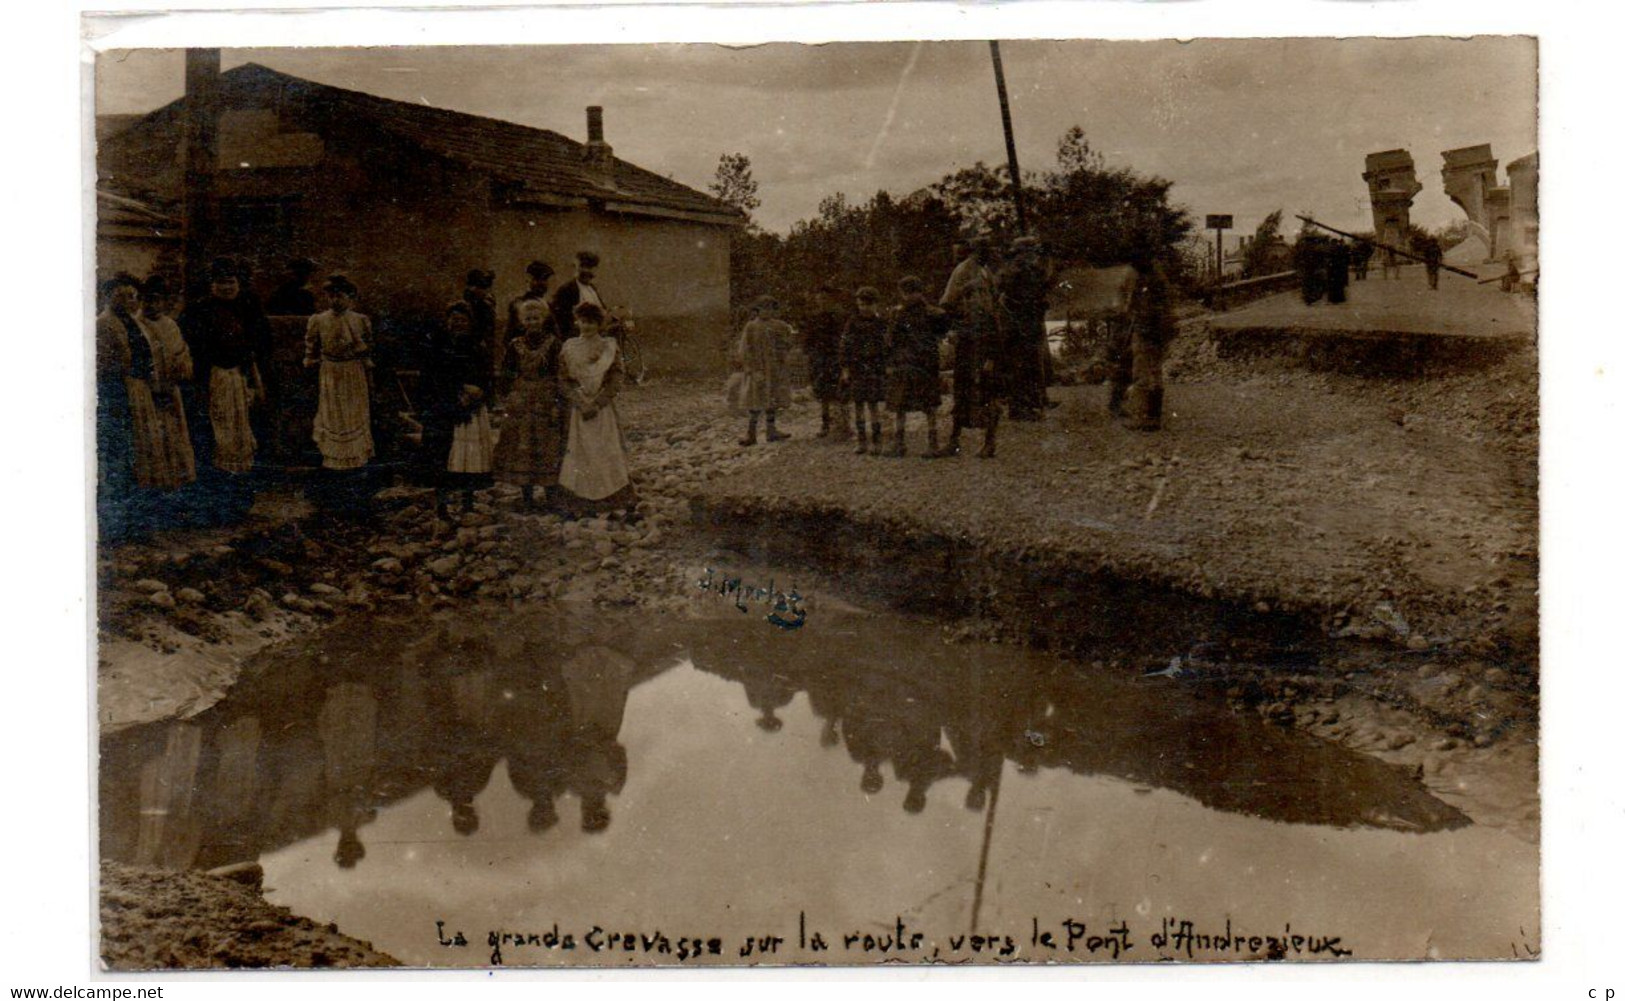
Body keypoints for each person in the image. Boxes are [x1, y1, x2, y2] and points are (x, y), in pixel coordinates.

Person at [182, 258, 267, 501]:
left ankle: (241, 494)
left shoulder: (248, 308)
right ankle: (215, 495)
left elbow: (258, 345)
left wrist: (255, 378)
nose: (226, 287)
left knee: (242, 432)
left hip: (240, 378)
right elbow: (192, 348)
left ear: (239, 284)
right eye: (220, 283)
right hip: (212, 378)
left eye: (231, 282)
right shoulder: (198, 311)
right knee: (216, 433)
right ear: (212, 285)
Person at [558, 302, 636, 512]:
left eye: (592, 322)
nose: (587, 326)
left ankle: (611, 496)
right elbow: (563, 380)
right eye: (583, 321)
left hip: (602, 409)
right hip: (579, 407)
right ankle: (581, 500)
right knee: (580, 450)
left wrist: (599, 402)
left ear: (599, 324)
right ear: (577, 322)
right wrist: (579, 401)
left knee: (605, 448)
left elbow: (616, 378)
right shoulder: (569, 347)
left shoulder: (608, 346)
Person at [934, 235, 1005, 458]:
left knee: (988, 389)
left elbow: (994, 311)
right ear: (975, 251)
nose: (986, 254)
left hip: (986, 338)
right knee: (963, 389)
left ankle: (989, 442)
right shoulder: (964, 271)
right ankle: (955, 441)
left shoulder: (987, 274)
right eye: (983, 250)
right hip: (969, 338)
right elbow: (947, 303)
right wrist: (956, 327)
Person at [423, 302, 494, 518]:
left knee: (469, 454)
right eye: (454, 319)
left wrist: (480, 392)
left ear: (470, 323)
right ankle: (442, 505)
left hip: (472, 407)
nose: (458, 324)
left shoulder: (477, 346)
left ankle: (468, 502)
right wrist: (458, 390)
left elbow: (487, 375)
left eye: (463, 320)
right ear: (447, 322)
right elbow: (432, 376)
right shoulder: (437, 345)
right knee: (441, 454)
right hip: (444, 406)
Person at [492, 299, 564, 510]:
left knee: (547, 444)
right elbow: (506, 371)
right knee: (523, 445)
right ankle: (527, 496)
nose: (532, 322)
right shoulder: (515, 345)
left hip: (545, 397)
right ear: (522, 321)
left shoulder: (553, 343)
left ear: (543, 319)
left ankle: (551, 493)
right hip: (522, 399)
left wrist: (557, 400)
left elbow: (558, 373)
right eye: (528, 318)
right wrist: (507, 394)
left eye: (536, 318)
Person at [132, 276, 197, 494]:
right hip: (148, 392)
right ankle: (154, 491)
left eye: (158, 300)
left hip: (171, 390)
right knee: (153, 441)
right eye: (148, 300)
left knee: (174, 438)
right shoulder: (136, 325)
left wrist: (178, 372)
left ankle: (175, 491)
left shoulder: (170, 325)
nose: (153, 305)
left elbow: (181, 354)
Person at [303, 274, 375, 471]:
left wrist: (361, 349)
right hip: (330, 371)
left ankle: (355, 458)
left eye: (340, 296)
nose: (335, 300)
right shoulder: (318, 320)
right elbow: (311, 344)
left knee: (353, 410)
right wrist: (310, 358)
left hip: (352, 370)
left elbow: (368, 346)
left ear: (351, 298)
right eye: (331, 296)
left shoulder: (360, 320)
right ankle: (333, 460)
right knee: (332, 412)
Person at [884, 276, 949, 457]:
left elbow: (942, 332)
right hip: (908, 362)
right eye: (906, 293)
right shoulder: (900, 314)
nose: (909, 296)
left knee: (926, 405)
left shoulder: (931, 313)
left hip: (922, 363)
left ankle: (931, 443)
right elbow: (891, 340)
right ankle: (900, 443)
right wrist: (891, 361)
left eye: (912, 292)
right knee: (901, 404)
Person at [998, 235, 1050, 420]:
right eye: (1030, 251)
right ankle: (1018, 408)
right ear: (1022, 252)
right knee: (1018, 367)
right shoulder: (1013, 271)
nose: (1033, 255)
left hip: (1027, 323)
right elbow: (1014, 298)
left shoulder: (1028, 269)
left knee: (1028, 366)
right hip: (1017, 325)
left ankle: (1029, 404)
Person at [1125, 245, 1177, 432]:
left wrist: (1137, 323)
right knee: (1155, 374)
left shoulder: (1147, 281)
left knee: (1143, 374)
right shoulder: (1157, 278)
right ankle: (1153, 416)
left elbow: (1143, 310)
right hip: (1158, 333)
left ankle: (1143, 417)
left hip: (1147, 332)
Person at [734, 294, 795, 447]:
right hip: (758, 369)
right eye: (763, 309)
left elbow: (788, 343)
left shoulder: (779, 326)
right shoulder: (751, 326)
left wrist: (784, 347)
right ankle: (751, 433)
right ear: (757, 310)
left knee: (772, 400)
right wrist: (751, 369)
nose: (767, 312)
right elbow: (745, 350)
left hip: (774, 369)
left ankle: (771, 430)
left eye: (770, 309)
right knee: (755, 401)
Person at [840, 287, 889, 455]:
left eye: (868, 304)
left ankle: (877, 442)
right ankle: (862, 441)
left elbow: (886, 347)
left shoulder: (881, 323)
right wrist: (845, 369)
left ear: (876, 305)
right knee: (858, 405)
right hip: (857, 368)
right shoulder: (852, 323)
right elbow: (845, 347)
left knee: (874, 405)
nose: (864, 308)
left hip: (874, 368)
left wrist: (885, 366)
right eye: (861, 304)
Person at [801, 284, 851, 440]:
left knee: (840, 392)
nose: (822, 301)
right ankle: (825, 424)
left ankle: (843, 426)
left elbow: (845, 338)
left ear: (832, 299)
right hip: (819, 359)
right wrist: (809, 353)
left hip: (836, 358)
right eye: (819, 298)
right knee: (822, 394)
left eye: (825, 298)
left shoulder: (841, 316)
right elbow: (807, 340)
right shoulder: (814, 317)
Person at [502, 259, 556, 379]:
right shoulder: (519, 304)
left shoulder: (549, 305)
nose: (542, 283)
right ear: (528, 280)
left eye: (545, 280)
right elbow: (509, 336)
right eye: (537, 279)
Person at [551, 251, 605, 341]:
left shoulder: (592, 289)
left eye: (590, 267)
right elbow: (560, 322)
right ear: (575, 267)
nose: (586, 271)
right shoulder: (566, 290)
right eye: (583, 266)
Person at [462, 267, 499, 377]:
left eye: (487, 287)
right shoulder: (468, 305)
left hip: (483, 348)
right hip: (470, 348)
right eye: (482, 287)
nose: (486, 291)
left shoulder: (486, 304)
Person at [1325, 239, 1351, 304]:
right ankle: (1339, 299)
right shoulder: (1340, 248)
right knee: (1338, 284)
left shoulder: (1329, 248)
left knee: (1332, 285)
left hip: (1332, 269)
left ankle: (1331, 299)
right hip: (1339, 269)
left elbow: (1327, 258)